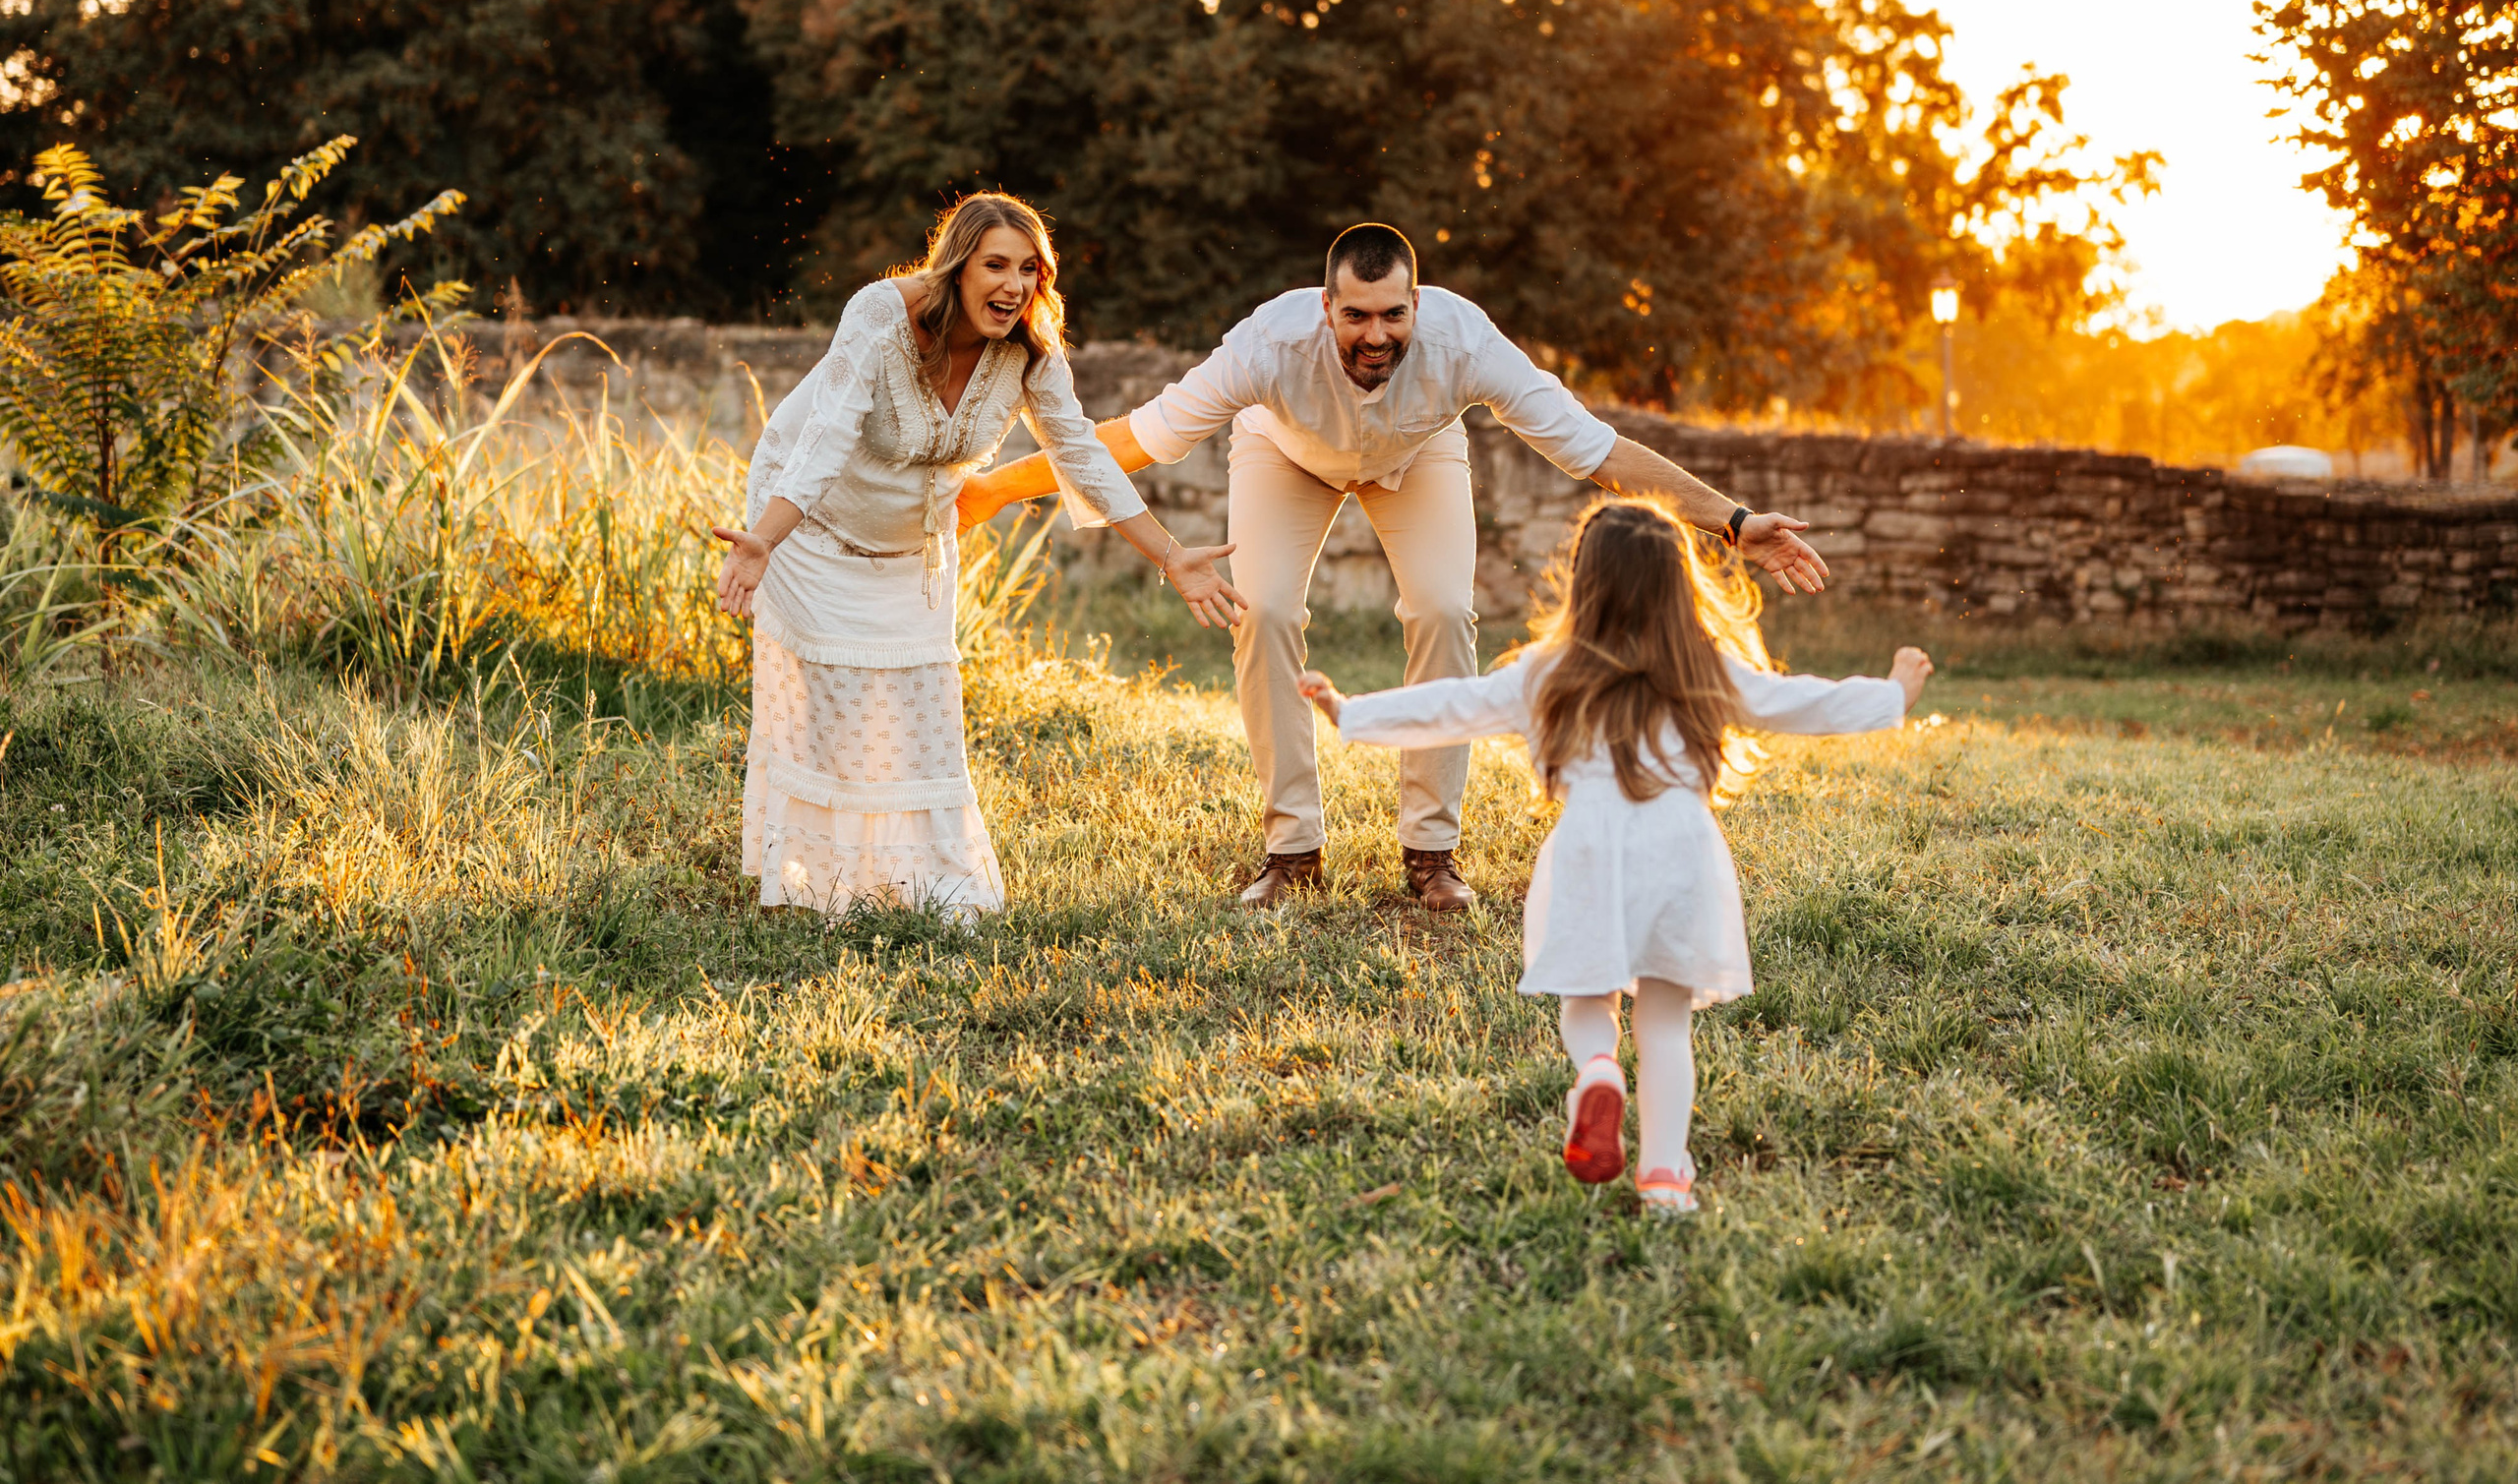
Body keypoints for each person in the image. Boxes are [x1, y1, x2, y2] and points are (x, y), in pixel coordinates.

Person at [959, 223, 1832, 912]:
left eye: (1392, 315)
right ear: (1326, 308)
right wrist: (997, 487)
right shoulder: (1265, 347)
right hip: (1285, 454)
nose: (1375, 335)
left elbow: (1599, 451)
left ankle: (1432, 852)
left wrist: (1734, 522)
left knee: (1445, 609)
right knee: (1263, 610)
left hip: (1417, 457)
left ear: (1417, 303)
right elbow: (1132, 441)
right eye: (1356, 317)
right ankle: (1292, 852)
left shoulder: (1467, 342)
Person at [1295, 499, 1932, 1217]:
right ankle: (1663, 1177)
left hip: (1589, 850)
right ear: (1678, 584)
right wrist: (1892, 694)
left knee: (1587, 997)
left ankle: (1598, 1071)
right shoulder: (1703, 668)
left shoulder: (1548, 672)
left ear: (1585, 584)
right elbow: (1799, 703)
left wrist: (1352, 711)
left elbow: (1452, 705)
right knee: (1664, 1022)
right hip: (1680, 854)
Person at [712, 193, 1244, 917]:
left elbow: (1080, 454)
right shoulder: (880, 315)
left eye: (1030, 270)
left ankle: (932, 886)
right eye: (996, 265)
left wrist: (1170, 554)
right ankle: (820, 885)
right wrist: (766, 540)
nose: (1014, 285)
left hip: (914, 541)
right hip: (806, 526)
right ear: (957, 267)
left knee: (922, 709)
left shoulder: (1029, 349)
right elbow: (827, 435)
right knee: (837, 704)